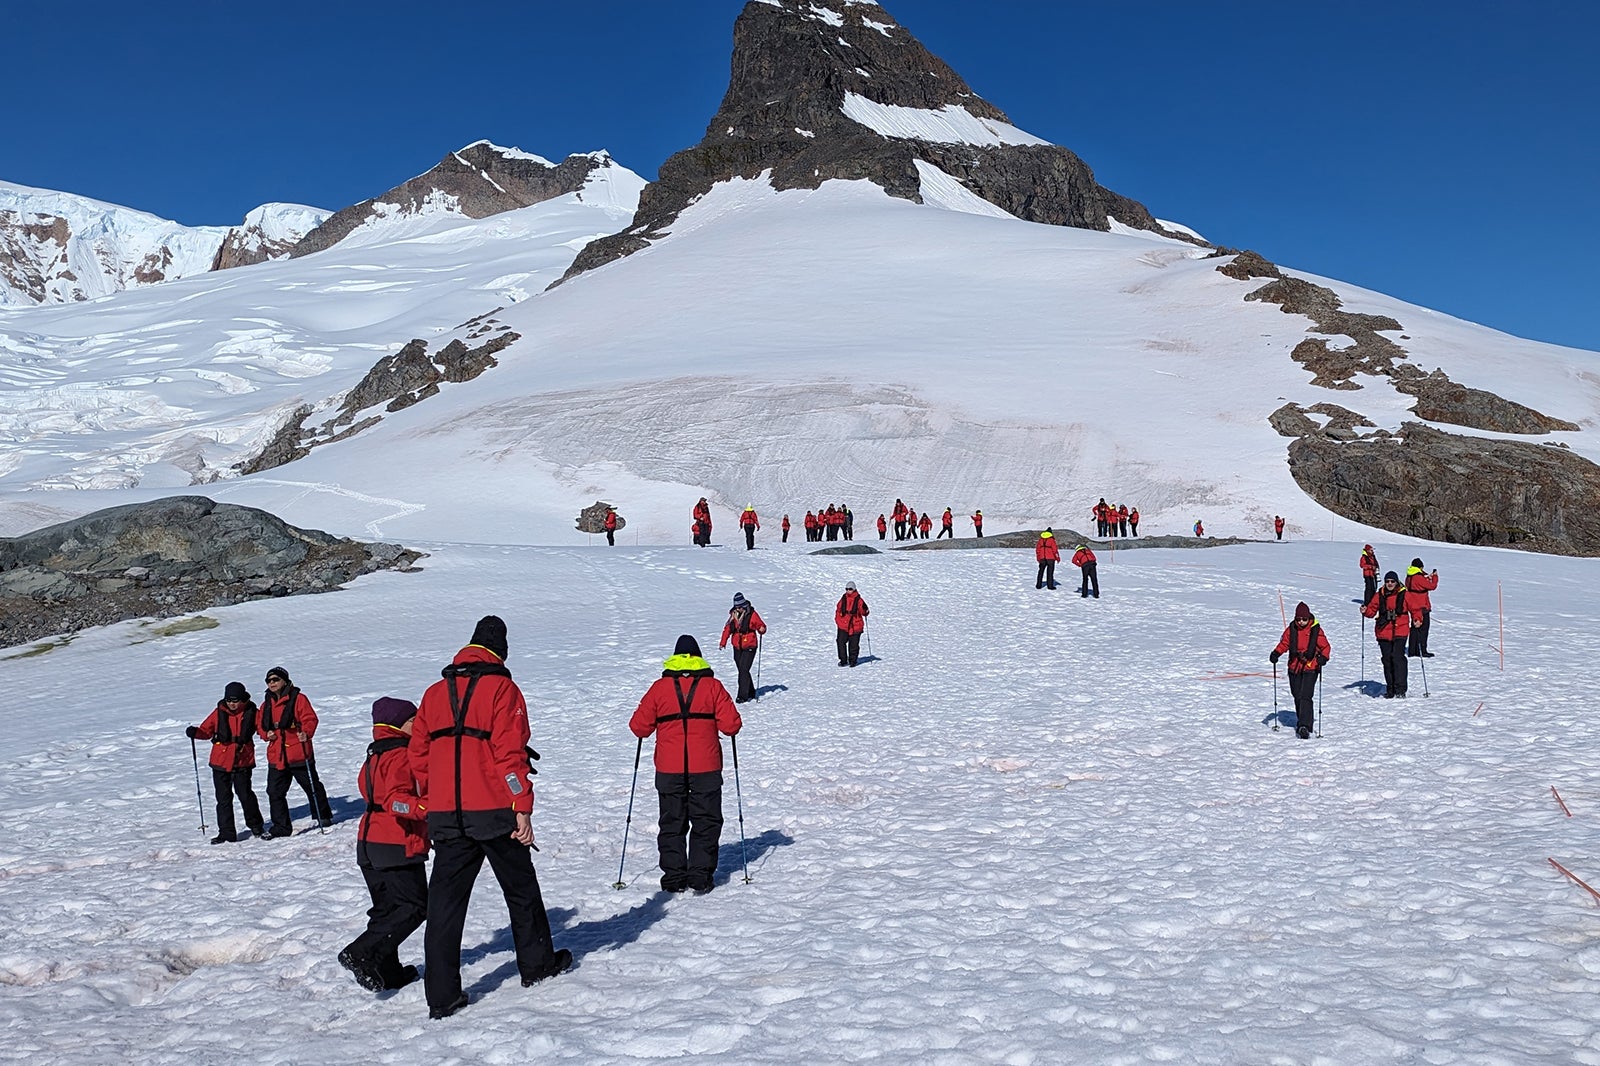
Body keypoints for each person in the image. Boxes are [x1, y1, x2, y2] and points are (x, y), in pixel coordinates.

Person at [410, 616, 569, 1019]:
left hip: (447, 815)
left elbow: (418, 758)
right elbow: (510, 757)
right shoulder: (503, 690)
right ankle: (537, 966)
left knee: (444, 906)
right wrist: (522, 806)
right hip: (494, 811)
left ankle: (441, 997)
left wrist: (432, 800)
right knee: (520, 890)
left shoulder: (433, 693)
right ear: (501, 651)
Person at [629, 635, 743, 894]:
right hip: (706, 767)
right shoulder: (713, 687)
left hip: (669, 769)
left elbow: (638, 727)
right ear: (698, 658)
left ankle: (674, 877)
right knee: (706, 820)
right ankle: (700, 876)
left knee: (672, 822)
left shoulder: (659, 688)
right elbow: (732, 725)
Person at [340, 697, 428, 992]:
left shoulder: (374, 754)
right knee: (414, 906)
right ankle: (361, 952)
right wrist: (427, 808)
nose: (418, 724)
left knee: (387, 909)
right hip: (394, 841)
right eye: (413, 720)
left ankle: (388, 972)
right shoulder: (402, 754)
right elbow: (396, 801)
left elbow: (368, 790)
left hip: (368, 841)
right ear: (396, 724)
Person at [187, 682, 266, 844]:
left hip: (242, 761)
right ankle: (226, 833)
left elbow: (263, 729)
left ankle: (256, 826)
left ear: (242, 699)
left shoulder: (253, 712)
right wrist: (195, 733)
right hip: (220, 762)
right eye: (229, 700)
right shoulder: (218, 713)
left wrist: (270, 734)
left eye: (235, 700)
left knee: (245, 795)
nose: (231, 703)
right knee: (223, 799)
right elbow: (206, 731)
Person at [258, 666, 333, 837]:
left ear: (285, 680)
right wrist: (265, 734)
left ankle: (323, 816)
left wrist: (306, 732)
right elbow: (260, 725)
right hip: (277, 755)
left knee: (312, 786)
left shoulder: (299, 699)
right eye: (269, 681)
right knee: (274, 792)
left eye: (275, 679)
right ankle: (281, 827)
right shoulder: (266, 704)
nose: (272, 683)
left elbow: (310, 718)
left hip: (299, 752)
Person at [1270, 602, 1330, 739]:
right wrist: (1276, 653)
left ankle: (1305, 725)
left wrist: (1323, 658)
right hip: (1294, 666)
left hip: (1310, 666)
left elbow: (1325, 646)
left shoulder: (1316, 630)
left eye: (1304, 619)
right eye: (1298, 619)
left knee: (1305, 696)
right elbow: (1284, 643)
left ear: (1309, 618)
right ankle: (1301, 720)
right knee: (1297, 694)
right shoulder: (1291, 630)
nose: (1301, 622)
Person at [1362, 572, 1415, 699]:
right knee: (1387, 660)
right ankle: (1390, 689)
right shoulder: (1379, 594)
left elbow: (1415, 609)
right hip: (1383, 632)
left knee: (1398, 658)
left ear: (1396, 582)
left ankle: (1400, 689)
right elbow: (1371, 610)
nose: (1390, 584)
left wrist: (1417, 619)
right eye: (1387, 581)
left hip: (1400, 631)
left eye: (1392, 581)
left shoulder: (1404, 594)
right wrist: (1365, 611)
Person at [719, 593, 767, 703]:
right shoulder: (733, 616)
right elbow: (727, 629)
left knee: (743, 670)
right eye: (736, 606)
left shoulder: (752, 614)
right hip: (737, 646)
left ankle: (742, 695)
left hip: (750, 645)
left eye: (740, 606)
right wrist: (723, 642)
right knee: (742, 669)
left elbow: (761, 625)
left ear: (744, 605)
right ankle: (750, 691)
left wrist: (762, 629)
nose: (738, 609)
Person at [1406, 558, 1439, 658]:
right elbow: (1432, 586)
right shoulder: (1418, 577)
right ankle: (1422, 650)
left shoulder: (1409, 576)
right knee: (1423, 629)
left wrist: (1426, 575)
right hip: (1422, 605)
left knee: (1415, 628)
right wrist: (1435, 577)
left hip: (1412, 605)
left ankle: (1412, 650)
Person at [835, 581, 869, 667]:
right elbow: (838, 609)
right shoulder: (843, 599)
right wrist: (838, 620)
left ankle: (853, 661)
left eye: (850, 589)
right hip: (843, 625)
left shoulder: (859, 600)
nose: (848, 591)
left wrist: (865, 610)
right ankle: (843, 660)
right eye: (846, 589)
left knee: (853, 645)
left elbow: (864, 612)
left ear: (854, 589)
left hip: (855, 626)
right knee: (840, 642)